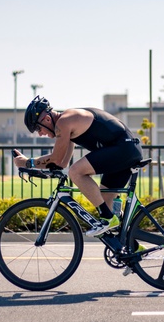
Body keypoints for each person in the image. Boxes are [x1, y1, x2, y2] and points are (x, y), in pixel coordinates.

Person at [15, 96, 143, 237]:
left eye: (38, 128)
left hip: (123, 149)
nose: (40, 134)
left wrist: (27, 162)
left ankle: (108, 219)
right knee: (106, 202)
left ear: (46, 119)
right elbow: (61, 163)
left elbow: (55, 158)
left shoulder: (63, 122)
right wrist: (44, 170)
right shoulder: (67, 124)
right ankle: (132, 247)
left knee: (76, 172)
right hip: (125, 150)